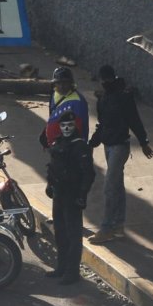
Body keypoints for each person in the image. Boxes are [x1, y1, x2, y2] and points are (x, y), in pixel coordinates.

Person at [88, 64, 153, 244]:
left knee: (110, 186)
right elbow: (101, 125)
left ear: (113, 79)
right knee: (116, 186)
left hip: (120, 146)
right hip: (108, 146)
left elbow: (134, 120)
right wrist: (91, 143)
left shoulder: (124, 98)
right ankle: (118, 226)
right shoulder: (102, 100)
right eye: (103, 80)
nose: (105, 83)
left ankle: (107, 228)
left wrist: (144, 142)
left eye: (108, 80)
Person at [45, 113, 95, 285]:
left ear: (75, 126)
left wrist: (82, 195)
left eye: (70, 125)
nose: (66, 128)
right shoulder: (58, 143)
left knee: (73, 235)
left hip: (72, 195)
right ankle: (62, 267)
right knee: (60, 232)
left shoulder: (80, 146)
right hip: (58, 193)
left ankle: (72, 272)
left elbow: (88, 173)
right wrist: (49, 185)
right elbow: (52, 168)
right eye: (64, 125)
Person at [40, 66, 89, 148]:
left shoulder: (78, 102)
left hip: (70, 148)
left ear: (71, 83)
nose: (61, 86)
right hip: (55, 146)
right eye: (58, 83)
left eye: (65, 83)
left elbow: (82, 127)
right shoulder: (54, 95)